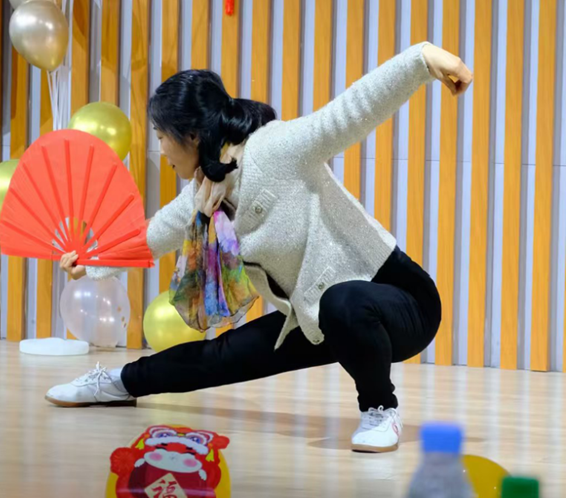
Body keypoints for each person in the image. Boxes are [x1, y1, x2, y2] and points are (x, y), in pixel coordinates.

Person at [46, 42, 473, 453]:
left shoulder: (276, 148)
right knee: (221, 356)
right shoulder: (206, 191)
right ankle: (117, 383)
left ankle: (380, 409)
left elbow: (353, 109)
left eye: (161, 136)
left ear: (191, 135)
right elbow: (153, 235)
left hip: (400, 301)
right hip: (315, 314)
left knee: (342, 301)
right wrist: (93, 262)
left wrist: (421, 59)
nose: (160, 149)